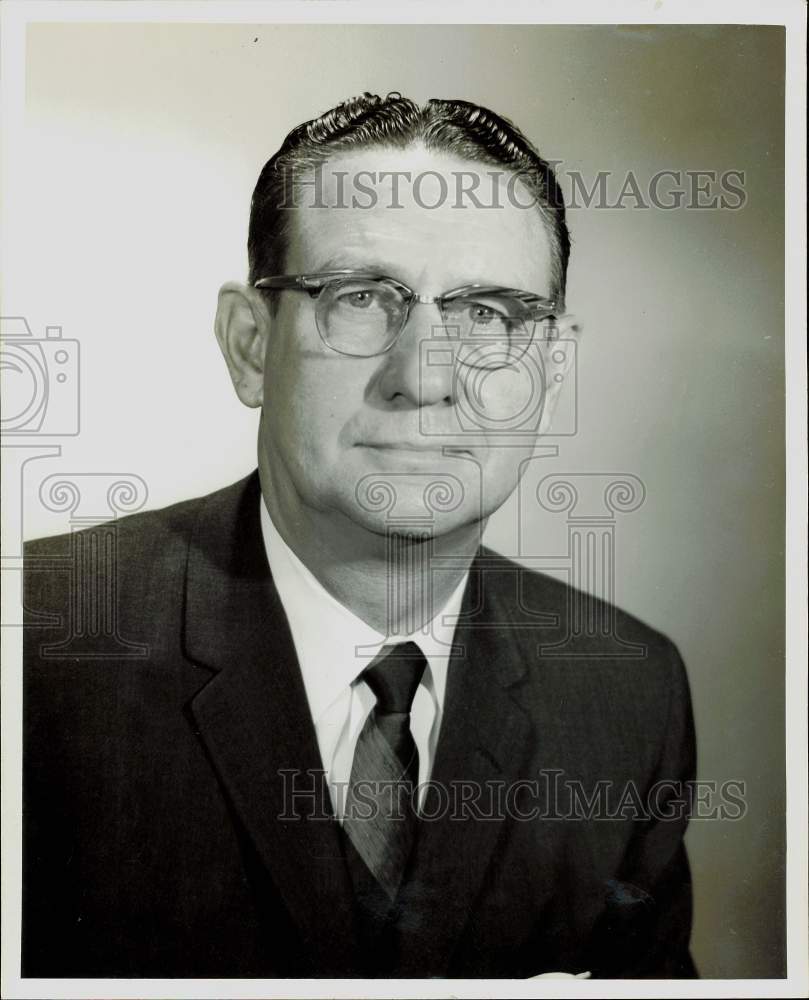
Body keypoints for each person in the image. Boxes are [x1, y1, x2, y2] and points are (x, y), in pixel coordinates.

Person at [22, 92, 697, 979]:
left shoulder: (628, 696)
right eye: (362, 297)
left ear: (549, 373)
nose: (424, 376)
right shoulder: (36, 647)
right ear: (250, 347)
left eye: (488, 315)